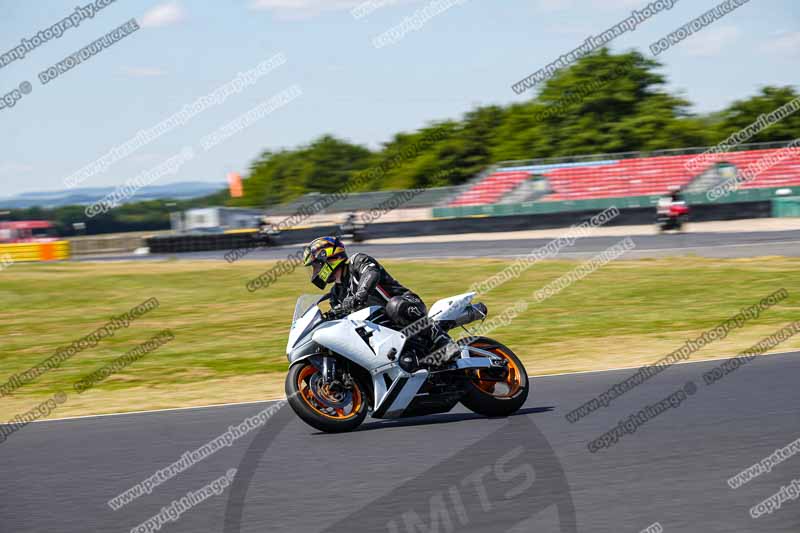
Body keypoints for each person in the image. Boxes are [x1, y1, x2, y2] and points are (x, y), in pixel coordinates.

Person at [302, 236, 450, 362]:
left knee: (395, 306)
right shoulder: (335, 294)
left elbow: (371, 274)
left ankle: (442, 340)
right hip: (382, 329)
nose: (315, 272)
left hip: (407, 304)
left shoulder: (357, 261)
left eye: (316, 266)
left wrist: (359, 296)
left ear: (328, 257)